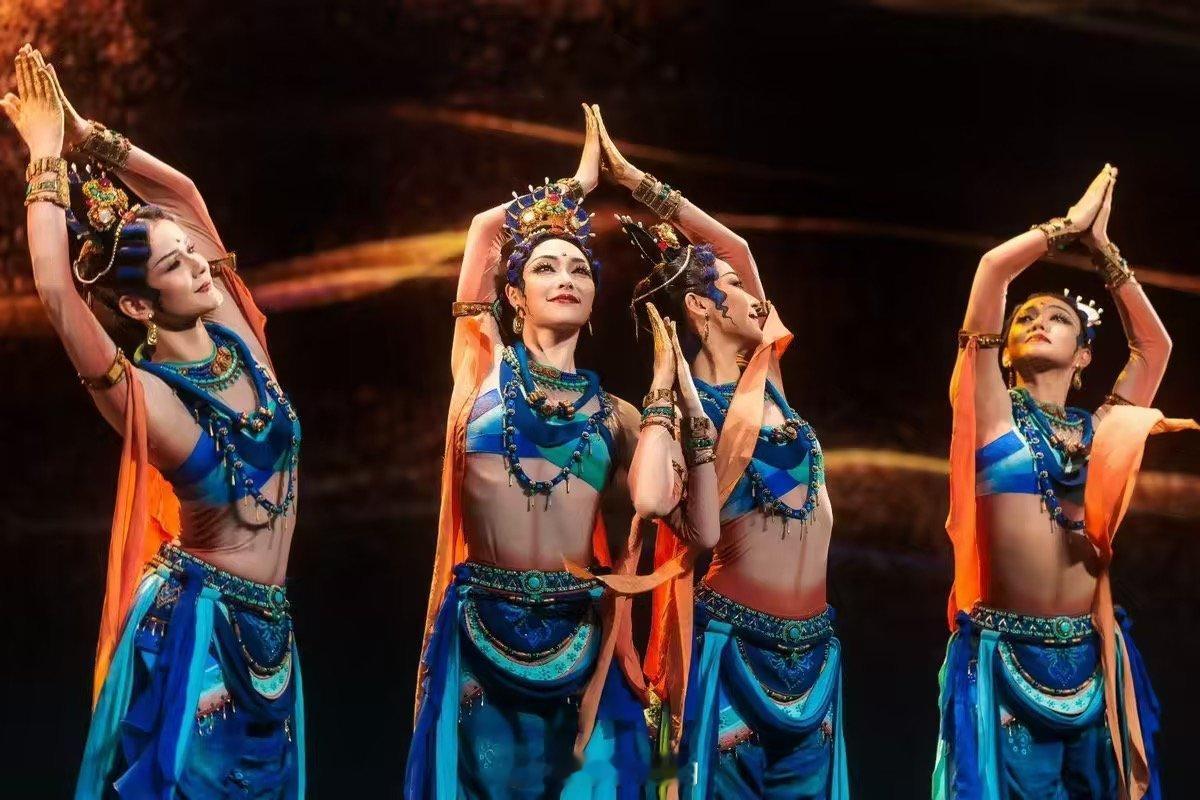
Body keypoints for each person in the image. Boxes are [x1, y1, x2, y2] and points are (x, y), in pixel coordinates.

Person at [3, 45, 304, 797]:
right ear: (138, 304)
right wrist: (45, 157)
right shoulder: (149, 397)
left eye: (191, 255)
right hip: (198, 631)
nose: (200, 266)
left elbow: (184, 194)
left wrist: (85, 134)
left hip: (273, 630)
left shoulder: (238, 335)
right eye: (175, 265)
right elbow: (56, 291)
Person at [404, 104, 714, 800]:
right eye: (545, 268)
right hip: (480, 633)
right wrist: (579, 183)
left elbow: (692, 529)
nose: (566, 276)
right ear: (514, 296)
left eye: (580, 268)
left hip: (582, 643)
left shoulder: (619, 416)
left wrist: (674, 401)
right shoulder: (480, 370)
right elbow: (485, 232)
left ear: (596, 298)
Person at [599, 106, 849, 799]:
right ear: (702, 309)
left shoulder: (768, 386)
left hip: (815, 656)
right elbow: (655, 503)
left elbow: (734, 247)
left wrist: (638, 183)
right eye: (734, 289)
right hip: (731, 649)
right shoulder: (689, 411)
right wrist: (664, 384)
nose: (752, 293)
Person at [934, 164, 1196, 799]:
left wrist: (1105, 251)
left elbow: (1155, 349)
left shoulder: (1100, 430)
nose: (1036, 322)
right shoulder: (989, 412)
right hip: (1004, 657)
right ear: (1003, 347)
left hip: (1092, 660)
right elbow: (993, 272)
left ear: (1083, 356)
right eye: (1025, 318)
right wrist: (1066, 228)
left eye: (1057, 318)